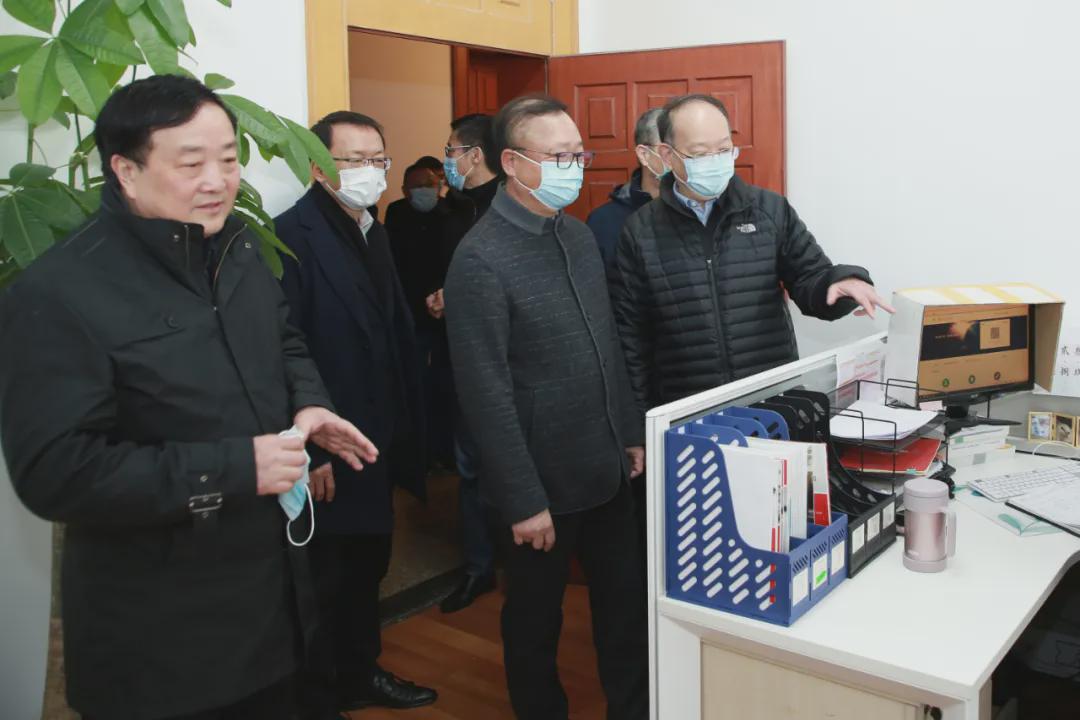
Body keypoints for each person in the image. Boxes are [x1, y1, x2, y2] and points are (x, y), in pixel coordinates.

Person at [0, 75, 378, 720]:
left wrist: (309, 403)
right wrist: (236, 468)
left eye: (228, 160)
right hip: (164, 639)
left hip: (275, 605)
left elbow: (284, 341)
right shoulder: (59, 292)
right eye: (191, 163)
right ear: (125, 170)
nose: (218, 181)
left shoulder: (236, 248)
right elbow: (55, 473)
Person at [444, 94, 649, 720]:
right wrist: (522, 499)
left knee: (625, 610)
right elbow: (484, 393)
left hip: (607, 469)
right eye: (558, 157)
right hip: (541, 485)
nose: (574, 167)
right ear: (512, 162)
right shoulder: (479, 259)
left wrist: (630, 433)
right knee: (535, 623)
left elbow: (607, 346)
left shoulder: (578, 235)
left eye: (577, 154)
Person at [275, 111, 437, 717]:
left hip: (376, 434)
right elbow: (283, 349)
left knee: (368, 565)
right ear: (319, 167)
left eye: (378, 160)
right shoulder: (290, 236)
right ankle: (319, 696)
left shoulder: (374, 230)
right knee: (326, 578)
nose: (371, 172)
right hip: (329, 443)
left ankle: (360, 672)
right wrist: (311, 449)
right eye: (355, 160)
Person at [609, 93, 894, 411]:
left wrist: (839, 282)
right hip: (687, 411)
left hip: (772, 403)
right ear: (667, 154)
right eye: (700, 154)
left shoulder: (768, 210)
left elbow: (810, 277)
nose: (714, 161)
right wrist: (639, 420)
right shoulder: (641, 231)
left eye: (723, 150)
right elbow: (631, 335)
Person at [436, 112, 502, 613]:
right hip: (460, 360)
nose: (447, 160)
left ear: (475, 155)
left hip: (509, 362)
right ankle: (479, 567)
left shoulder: (513, 206)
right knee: (470, 468)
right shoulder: (452, 210)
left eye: (451, 151)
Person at [385, 161, 455, 466]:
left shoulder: (450, 214)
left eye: (430, 185)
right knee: (414, 385)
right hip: (410, 315)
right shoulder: (396, 214)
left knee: (445, 385)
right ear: (404, 190)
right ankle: (418, 455)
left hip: (446, 316)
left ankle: (445, 452)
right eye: (418, 187)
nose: (425, 191)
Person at [586, 107, 667, 269]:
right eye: (669, 150)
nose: (683, 158)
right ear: (644, 154)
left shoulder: (702, 211)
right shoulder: (603, 221)